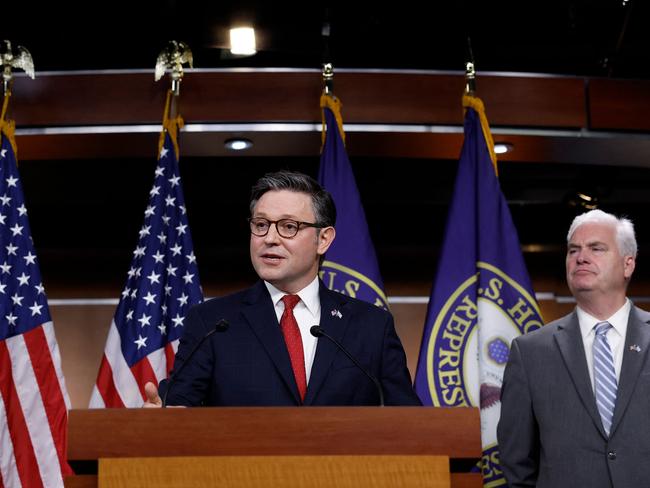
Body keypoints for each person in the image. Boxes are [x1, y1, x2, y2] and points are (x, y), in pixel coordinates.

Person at [144, 170, 421, 407]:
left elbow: (408, 422)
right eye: (261, 225)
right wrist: (161, 416)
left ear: (323, 239)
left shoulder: (371, 327)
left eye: (289, 226)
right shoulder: (212, 323)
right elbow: (178, 409)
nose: (270, 238)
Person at [497, 209, 650, 487]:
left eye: (596, 248)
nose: (581, 257)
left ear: (628, 265)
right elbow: (517, 465)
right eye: (573, 250)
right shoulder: (529, 353)